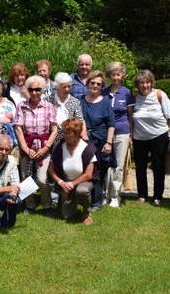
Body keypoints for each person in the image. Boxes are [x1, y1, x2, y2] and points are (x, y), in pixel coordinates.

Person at [14, 75, 58, 214]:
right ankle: (30, 205)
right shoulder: (22, 106)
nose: (34, 92)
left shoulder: (49, 106)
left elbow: (54, 129)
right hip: (26, 146)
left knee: (42, 179)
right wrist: (26, 149)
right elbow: (18, 128)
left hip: (44, 147)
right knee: (25, 175)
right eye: (31, 89)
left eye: (37, 89)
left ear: (43, 90)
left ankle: (47, 205)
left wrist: (46, 148)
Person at [130, 70, 170, 206]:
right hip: (139, 137)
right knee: (140, 167)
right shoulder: (134, 96)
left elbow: (169, 117)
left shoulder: (160, 95)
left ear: (151, 82)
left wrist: (159, 129)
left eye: (147, 82)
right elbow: (130, 117)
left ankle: (157, 196)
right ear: (137, 84)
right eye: (141, 83)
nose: (145, 85)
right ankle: (142, 195)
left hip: (159, 136)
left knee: (159, 166)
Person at [48, 118, 97, 225]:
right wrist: (61, 182)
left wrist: (72, 184)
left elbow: (88, 175)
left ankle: (86, 213)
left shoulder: (88, 148)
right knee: (66, 216)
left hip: (82, 182)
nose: (65, 135)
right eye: (64, 132)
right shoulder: (59, 147)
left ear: (77, 134)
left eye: (68, 133)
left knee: (82, 191)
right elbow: (50, 169)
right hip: (65, 182)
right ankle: (72, 201)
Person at [80, 70, 115, 210]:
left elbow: (111, 124)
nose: (95, 86)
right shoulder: (80, 100)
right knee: (85, 171)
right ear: (88, 83)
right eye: (92, 82)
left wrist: (109, 142)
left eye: (98, 84)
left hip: (100, 141)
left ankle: (97, 202)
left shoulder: (106, 101)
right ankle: (83, 200)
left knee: (99, 173)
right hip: (83, 141)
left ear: (102, 87)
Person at [102, 62, 135, 207]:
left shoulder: (127, 93)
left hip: (122, 132)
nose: (116, 77)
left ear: (122, 76)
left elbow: (131, 115)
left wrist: (131, 136)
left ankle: (115, 195)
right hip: (105, 133)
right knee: (106, 164)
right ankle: (105, 194)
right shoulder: (103, 92)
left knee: (118, 166)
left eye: (118, 74)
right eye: (113, 74)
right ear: (109, 75)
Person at [47, 72, 87, 147]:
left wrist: (83, 133)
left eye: (69, 86)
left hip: (70, 141)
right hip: (50, 141)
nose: (67, 89)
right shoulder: (48, 100)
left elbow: (80, 120)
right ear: (57, 87)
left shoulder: (75, 102)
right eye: (64, 87)